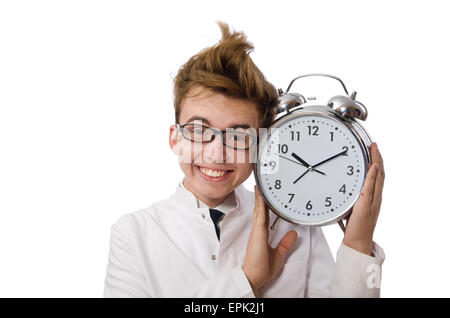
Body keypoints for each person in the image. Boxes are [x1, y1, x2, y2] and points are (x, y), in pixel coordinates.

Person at [103, 22, 385, 298]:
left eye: (238, 136)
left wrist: (357, 245)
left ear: (260, 148)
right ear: (174, 139)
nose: (216, 153)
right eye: (199, 130)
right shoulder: (133, 234)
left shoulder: (296, 228)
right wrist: (248, 279)